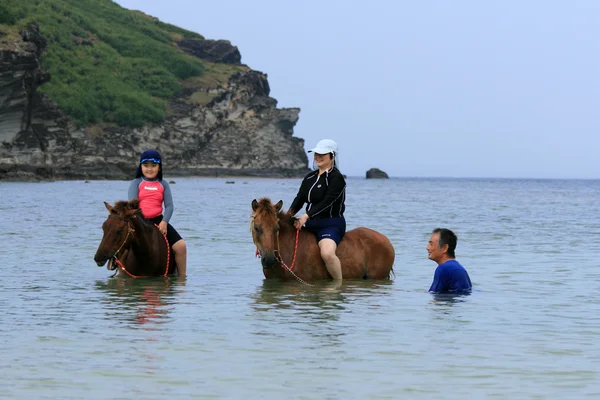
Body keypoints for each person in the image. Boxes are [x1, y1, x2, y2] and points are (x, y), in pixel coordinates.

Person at [288, 139, 346, 281]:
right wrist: (288, 216)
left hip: (330, 224)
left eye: (323, 154)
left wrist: (306, 216)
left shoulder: (337, 178)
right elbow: (299, 199)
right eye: (316, 154)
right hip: (310, 223)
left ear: (332, 156)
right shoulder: (310, 177)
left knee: (327, 254)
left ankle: (337, 284)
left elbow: (327, 202)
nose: (318, 157)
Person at [128, 149, 187, 276]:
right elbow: (132, 205)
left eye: (153, 166)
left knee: (181, 246)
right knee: (119, 238)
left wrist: (164, 222)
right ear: (141, 167)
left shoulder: (163, 184)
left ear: (159, 168)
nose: (149, 169)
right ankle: (115, 265)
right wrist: (139, 222)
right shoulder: (136, 183)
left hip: (158, 220)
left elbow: (169, 206)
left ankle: (182, 277)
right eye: (146, 165)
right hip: (139, 220)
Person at [427, 228, 471, 293]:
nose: (427, 248)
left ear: (445, 248)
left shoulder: (444, 269)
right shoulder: (456, 266)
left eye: (431, 244)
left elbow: (432, 294)